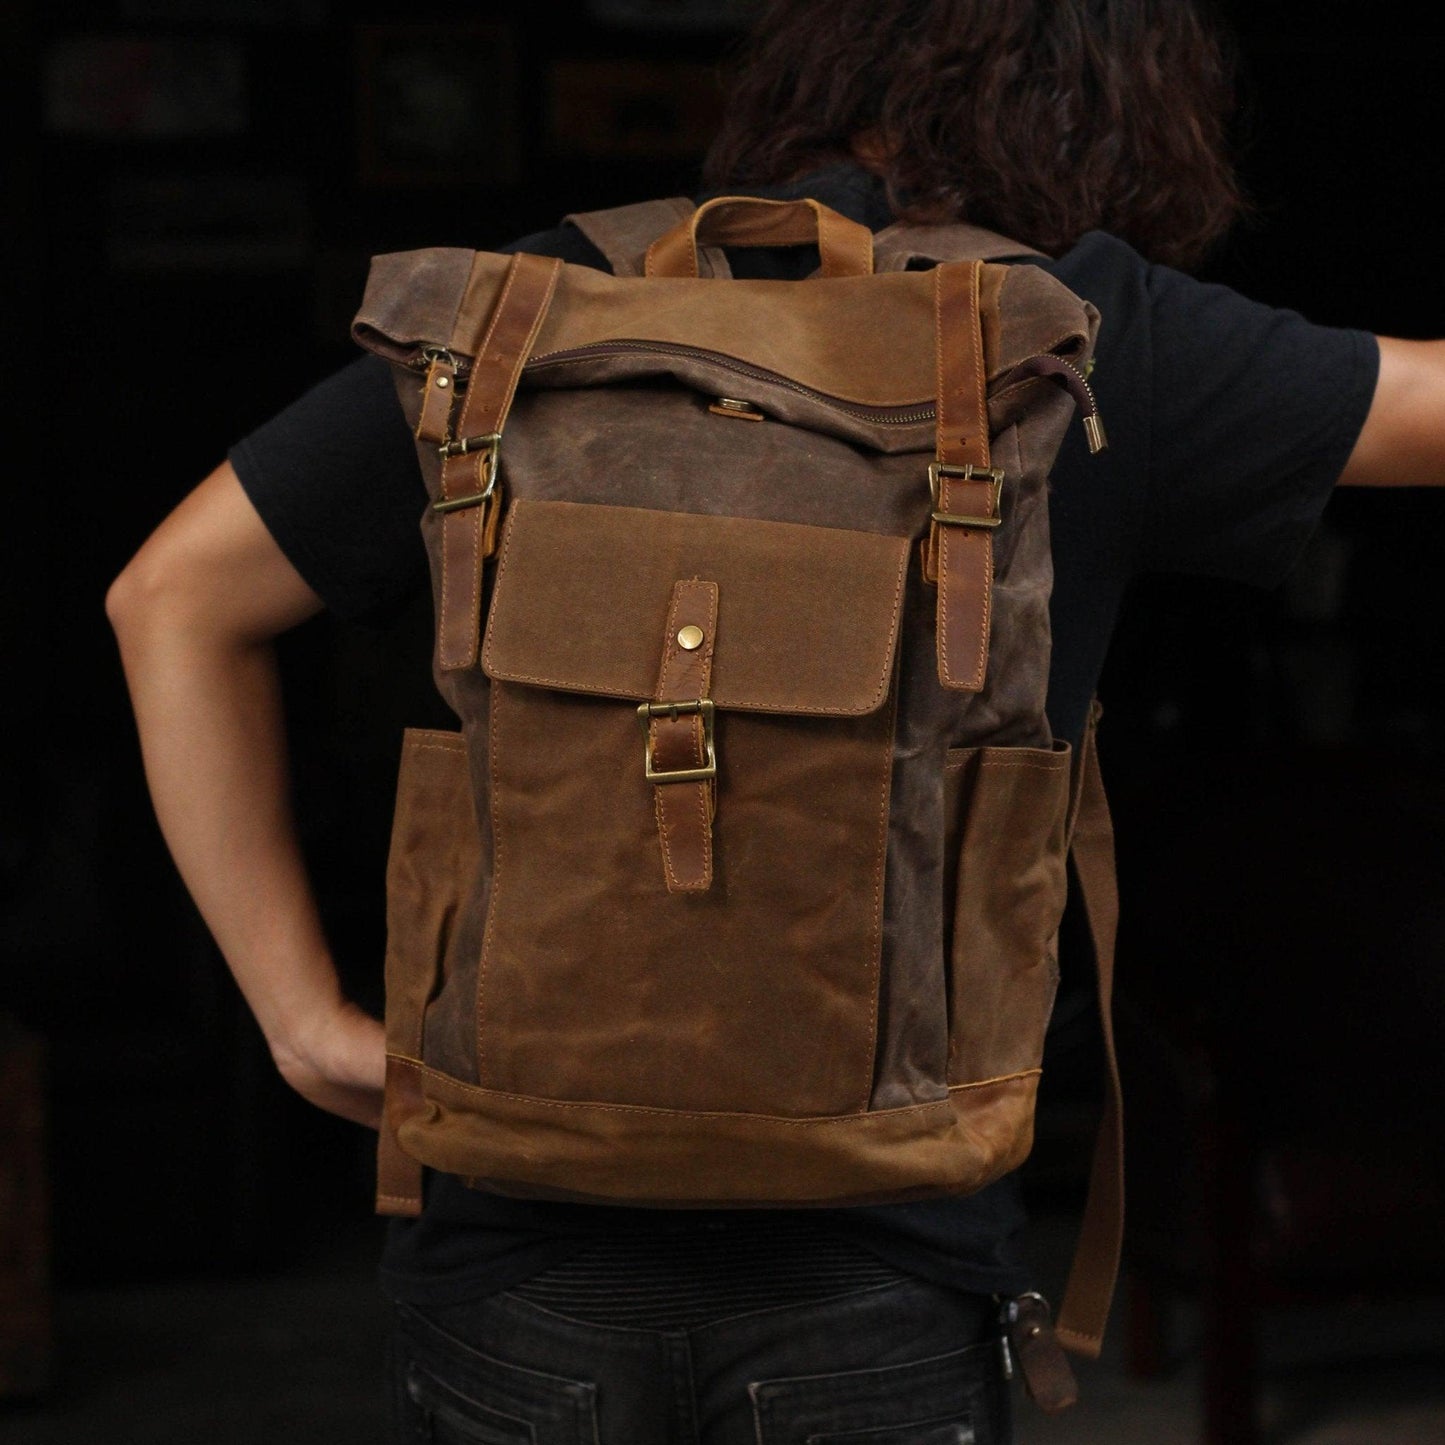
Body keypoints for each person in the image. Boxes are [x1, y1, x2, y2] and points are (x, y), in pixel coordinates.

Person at [105, 2, 1445, 1441]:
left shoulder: (526, 316)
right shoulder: (1081, 334)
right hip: (883, 1269)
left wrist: (301, 1022)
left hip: (511, 1254)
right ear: (1124, 112)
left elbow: (168, 598)